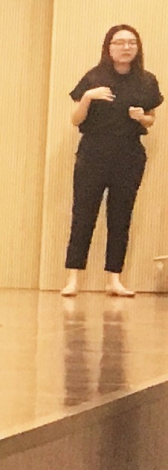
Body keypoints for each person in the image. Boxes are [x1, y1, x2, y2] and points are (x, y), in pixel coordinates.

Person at [61, 20, 157, 297]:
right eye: (119, 42)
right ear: (108, 47)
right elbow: (75, 119)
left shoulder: (146, 80)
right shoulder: (93, 77)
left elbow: (151, 120)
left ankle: (114, 279)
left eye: (131, 43)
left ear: (137, 48)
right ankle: (73, 279)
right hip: (93, 154)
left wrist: (143, 117)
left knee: (120, 216)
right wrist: (88, 98)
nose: (126, 47)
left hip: (129, 155)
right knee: (83, 215)